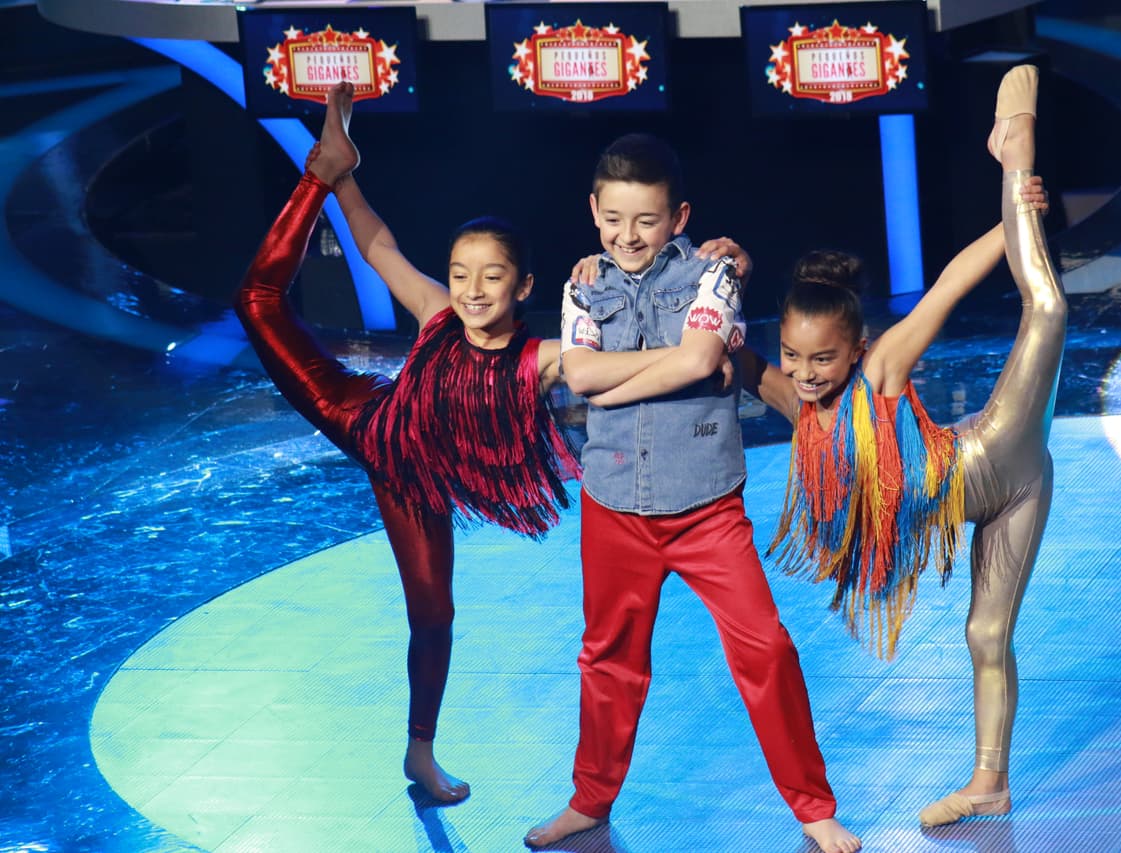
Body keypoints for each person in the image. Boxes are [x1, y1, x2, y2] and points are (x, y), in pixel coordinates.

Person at [234, 82, 579, 803]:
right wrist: (341, 182)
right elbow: (379, 244)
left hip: (419, 484)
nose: (472, 289)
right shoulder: (437, 311)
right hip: (367, 420)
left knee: (434, 617)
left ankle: (419, 752)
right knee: (256, 302)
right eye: (460, 274)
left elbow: (618, 363)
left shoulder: (541, 357)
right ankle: (321, 169)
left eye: (491, 277)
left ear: (523, 286)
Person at [737, 65, 1061, 827]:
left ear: (855, 350)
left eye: (823, 359)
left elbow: (946, 286)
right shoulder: (792, 400)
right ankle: (990, 784)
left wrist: (1015, 213)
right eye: (794, 356)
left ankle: (1015, 151)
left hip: (998, 453)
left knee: (1047, 308)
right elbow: (722, 352)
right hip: (993, 504)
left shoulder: (880, 371)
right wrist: (714, 268)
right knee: (986, 633)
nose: (806, 373)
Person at [524, 134, 861, 853]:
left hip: (706, 504)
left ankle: (812, 806)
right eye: (614, 218)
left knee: (765, 647)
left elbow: (700, 356)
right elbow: (580, 376)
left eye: (646, 220)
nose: (628, 235)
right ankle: (589, 801)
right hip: (613, 502)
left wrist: (625, 374)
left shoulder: (716, 272)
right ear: (593, 209)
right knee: (608, 661)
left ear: (677, 217)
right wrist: (671, 363)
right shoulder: (582, 286)